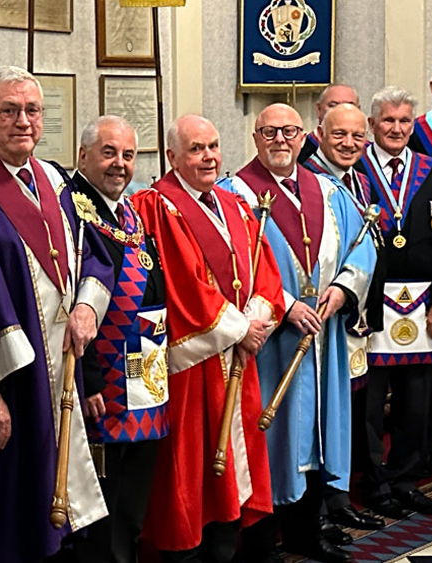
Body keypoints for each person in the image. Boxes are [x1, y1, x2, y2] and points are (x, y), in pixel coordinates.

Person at [0, 66, 113, 563]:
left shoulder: (55, 179)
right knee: (4, 510)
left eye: (32, 110)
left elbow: (94, 253)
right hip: (11, 382)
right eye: (8, 111)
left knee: (53, 502)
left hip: (62, 366)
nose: (22, 121)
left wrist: (87, 307)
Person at [227, 104, 376, 563]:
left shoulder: (328, 190)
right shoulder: (236, 195)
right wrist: (285, 304)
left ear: (302, 137)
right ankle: (259, 542)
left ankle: (305, 533)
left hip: (322, 339)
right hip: (268, 342)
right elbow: (231, 266)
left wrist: (343, 290)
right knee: (268, 435)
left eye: (289, 132)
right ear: (255, 137)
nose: (280, 140)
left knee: (316, 434)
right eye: (269, 132)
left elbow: (362, 247)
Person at [132, 114, 283, 563]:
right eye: (196, 149)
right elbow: (183, 286)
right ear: (171, 156)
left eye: (213, 146)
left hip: (238, 358)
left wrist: (255, 324)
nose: (208, 156)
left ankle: (224, 548)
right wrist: (240, 329)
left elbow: (265, 274)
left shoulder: (236, 205)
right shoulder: (156, 206)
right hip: (193, 365)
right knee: (192, 466)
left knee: (233, 467)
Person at [356, 88, 432, 518]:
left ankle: (405, 479)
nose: (396, 129)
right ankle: (372, 481)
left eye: (404, 121)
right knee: (368, 403)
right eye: (388, 121)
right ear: (372, 125)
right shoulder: (355, 169)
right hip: (371, 303)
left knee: (417, 403)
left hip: (423, 308)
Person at [69, 116, 167, 563]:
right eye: (109, 153)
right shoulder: (71, 210)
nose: (120, 165)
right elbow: (69, 305)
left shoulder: (128, 211)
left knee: (132, 499)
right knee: (101, 507)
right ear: (82, 155)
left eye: (128, 155)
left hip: (144, 379)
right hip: (102, 384)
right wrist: (86, 380)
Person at [299, 103, 390, 539]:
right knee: (314, 418)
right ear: (319, 133)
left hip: (348, 317)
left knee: (345, 412)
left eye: (358, 137)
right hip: (311, 321)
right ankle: (312, 510)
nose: (349, 144)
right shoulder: (307, 182)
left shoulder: (358, 180)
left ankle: (338, 499)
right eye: (340, 135)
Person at [300, 84, 360, 164]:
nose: (341, 112)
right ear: (319, 109)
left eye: (349, 107)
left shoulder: (367, 153)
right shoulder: (299, 151)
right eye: (333, 106)